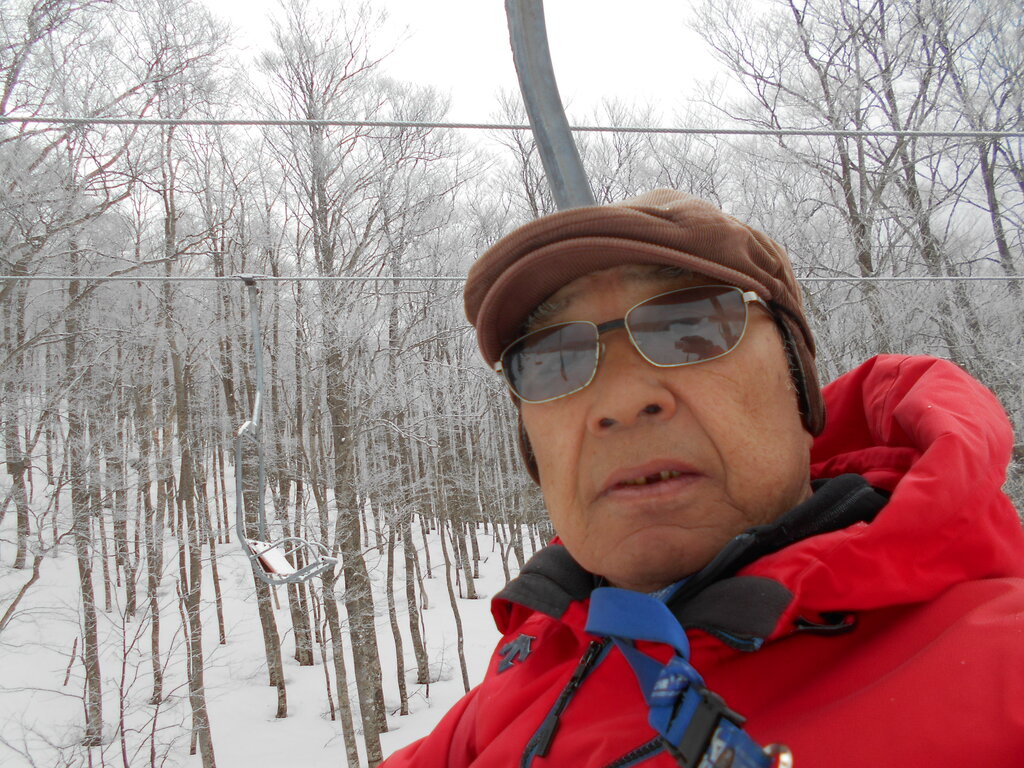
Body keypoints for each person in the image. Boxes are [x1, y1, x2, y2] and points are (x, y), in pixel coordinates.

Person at [381, 190, 1024, 767]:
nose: (620, 401)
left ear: (801, 390)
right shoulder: (543, 647)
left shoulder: (998, 672)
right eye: (553, 361)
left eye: (691, 328)